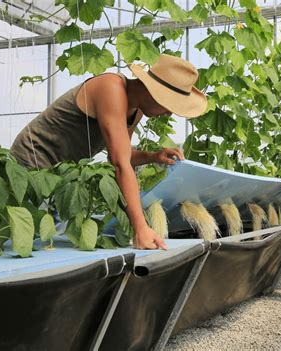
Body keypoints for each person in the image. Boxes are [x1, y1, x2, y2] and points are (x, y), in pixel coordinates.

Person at [11, 54, 207, 250]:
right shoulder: (111, 88)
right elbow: (120, 163)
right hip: (31, 161)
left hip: (58, 174)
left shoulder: (135, 109)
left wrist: (153, 156)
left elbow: (125, 155)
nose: (169, 113)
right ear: (152, 91)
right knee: (33, 238)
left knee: (51, 236)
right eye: (169, 104)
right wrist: (141, 228)